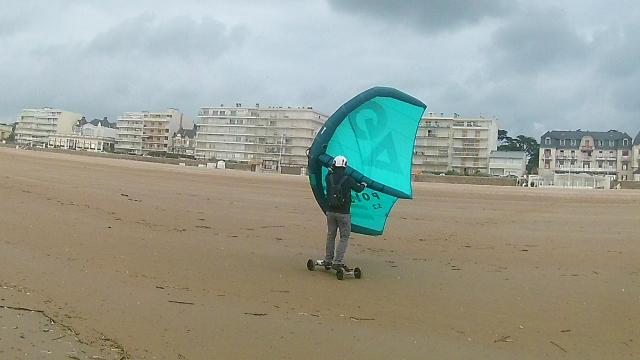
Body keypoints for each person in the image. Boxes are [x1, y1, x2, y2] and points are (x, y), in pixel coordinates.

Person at [322, 155, 366, 271]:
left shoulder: (328, 178)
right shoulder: (348, 179)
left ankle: (328, 260)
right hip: (343, 213)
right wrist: (364, 184)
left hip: (330, 211)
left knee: (331, 235)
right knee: (344, 237)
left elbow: (328, 173)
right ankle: (337, 262)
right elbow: (358, 189)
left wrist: (330, 169)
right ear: (345, 166)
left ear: (334, 164)